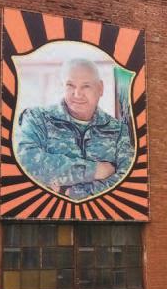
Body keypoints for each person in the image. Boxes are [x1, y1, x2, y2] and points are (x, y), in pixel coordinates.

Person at [15, 58, 133, 200]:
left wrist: (68, 192)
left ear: (100, 88)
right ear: (62, 86)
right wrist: (94, 170)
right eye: (70, 85)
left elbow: (127, 181)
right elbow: (25, 162)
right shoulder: (37, 118)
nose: (77, 94)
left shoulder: (118, 130)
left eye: (86, 86)